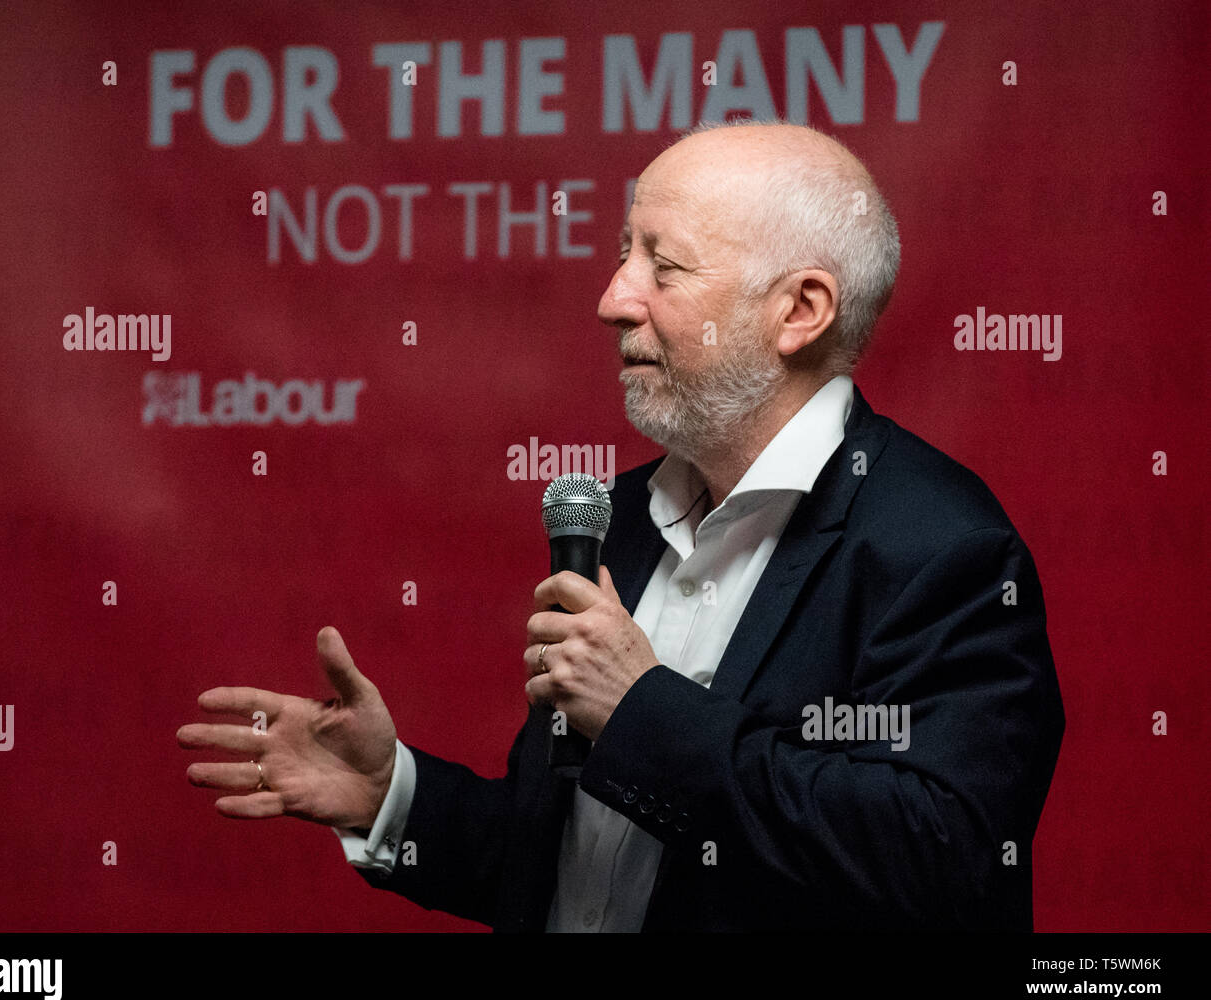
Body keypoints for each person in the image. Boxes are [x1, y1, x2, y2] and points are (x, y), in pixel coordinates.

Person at [177, 120, 1065, 931]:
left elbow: (940, 860)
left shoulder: (943, 547)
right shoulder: (622, 519)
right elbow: (583, 875)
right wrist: (389, 797)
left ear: (799, 310)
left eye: (661, 266)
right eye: (620, 255)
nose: (612, 298)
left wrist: (641, 711)